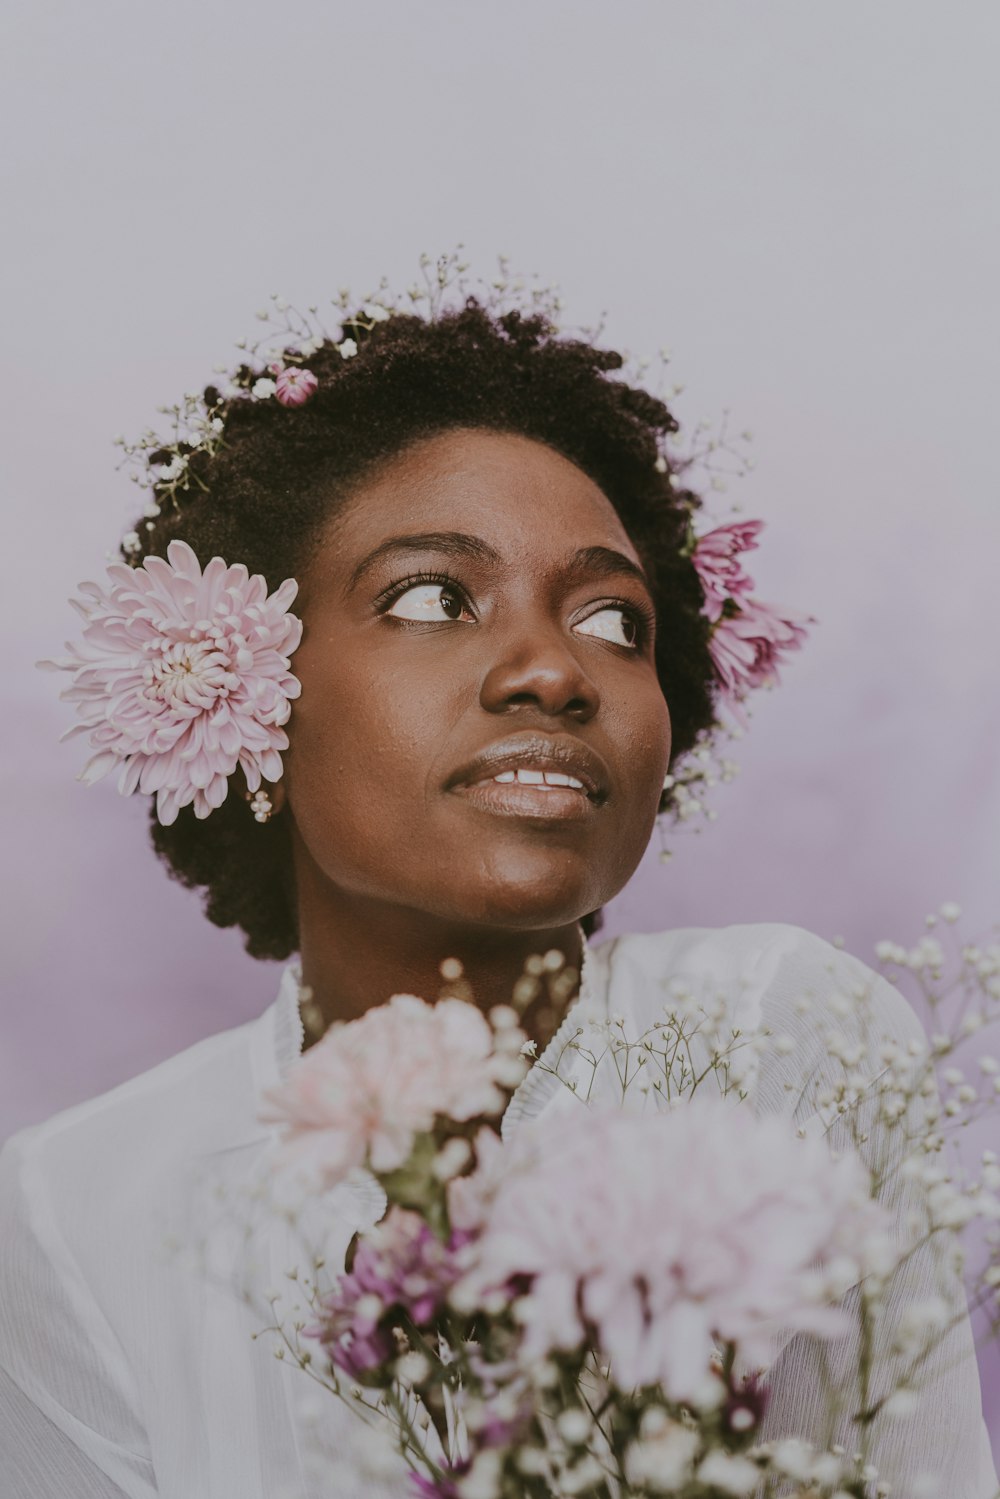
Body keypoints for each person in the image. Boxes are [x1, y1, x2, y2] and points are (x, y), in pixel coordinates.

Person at [2, 277, 996, 1498]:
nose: (552, 669)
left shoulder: (774, 1029)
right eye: (432, 596)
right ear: (251, 701)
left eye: (616, 621)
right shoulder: (67, 1209)